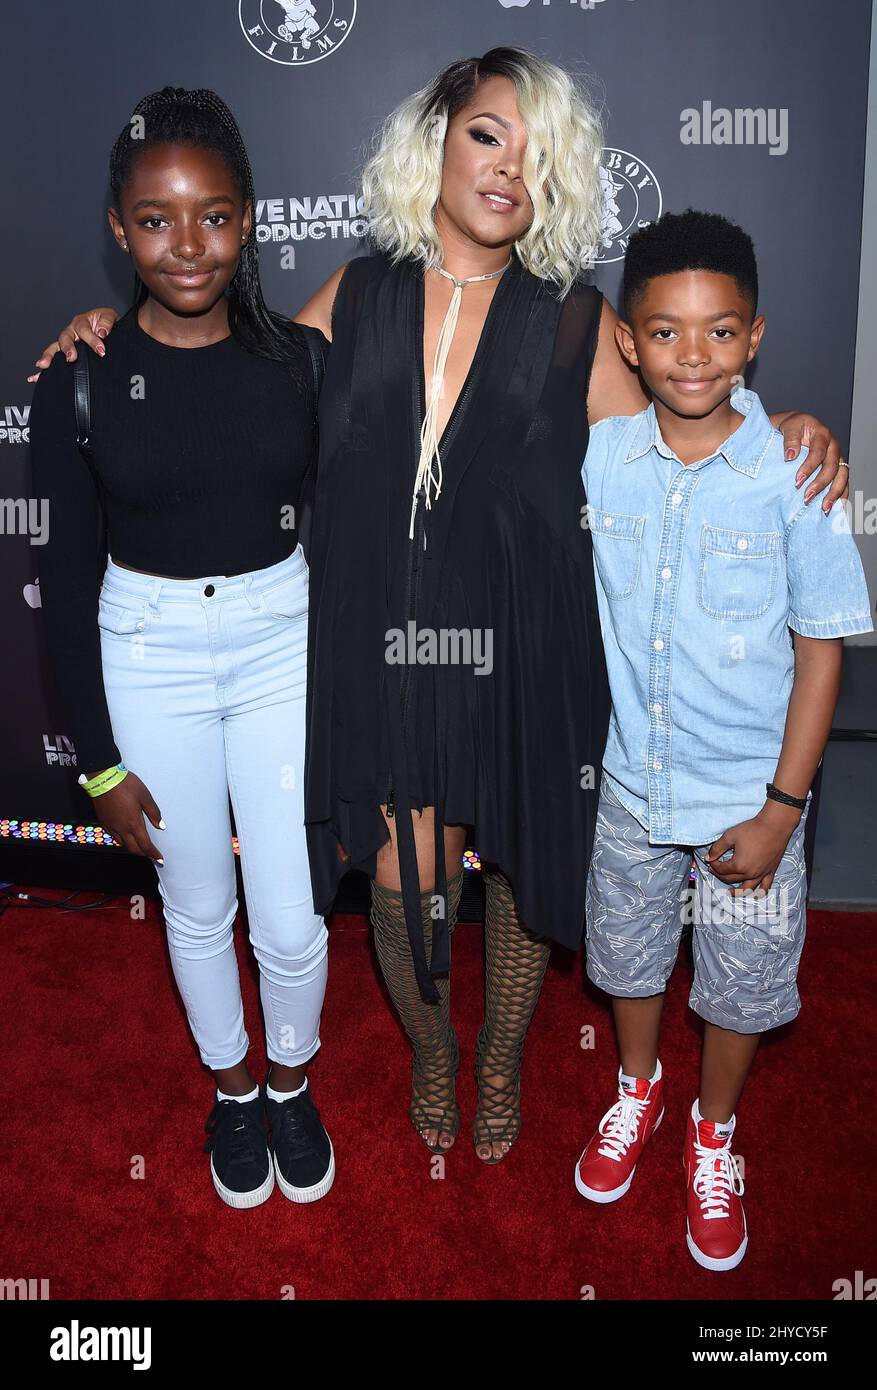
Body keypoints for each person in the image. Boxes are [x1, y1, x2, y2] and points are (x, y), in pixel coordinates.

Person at [31, 50, 849, 1165]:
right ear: (436, 141)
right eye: (485, 134)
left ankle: (501, 1056)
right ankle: (431, 1051)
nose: (508, 165)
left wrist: (790, 424)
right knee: (405, 878)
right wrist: (103, 330)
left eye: (534, 150)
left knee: (513, 867)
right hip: (381, 645)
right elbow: (215, 357)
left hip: (523, 649)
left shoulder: (574, 324)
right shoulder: (357, 295)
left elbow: (691, 420)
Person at [27, 87, 334, 1210]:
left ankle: (293, 1078)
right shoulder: (78, 378)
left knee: (293, 911)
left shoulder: (304, 362)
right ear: (118, 229)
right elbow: (60, 585)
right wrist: (100, 765)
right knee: (198, 899)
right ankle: (234, 1085)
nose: (186, 243)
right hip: (145, 650)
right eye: (156, 219)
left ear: (248, 218)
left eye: (211, 214)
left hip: (279, 641)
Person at [575, 209, 872, 1270]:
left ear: (753, 337)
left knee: (741, 985)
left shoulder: (795, 473)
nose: (691, 355)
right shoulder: (601, 457)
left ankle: (714, 1133)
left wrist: (782, 809)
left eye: (717, 332)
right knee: (628, 958)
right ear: (627, 340)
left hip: (755, 793)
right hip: (630, 785)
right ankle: (637, 1090)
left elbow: (823, 651)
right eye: (664, 332)